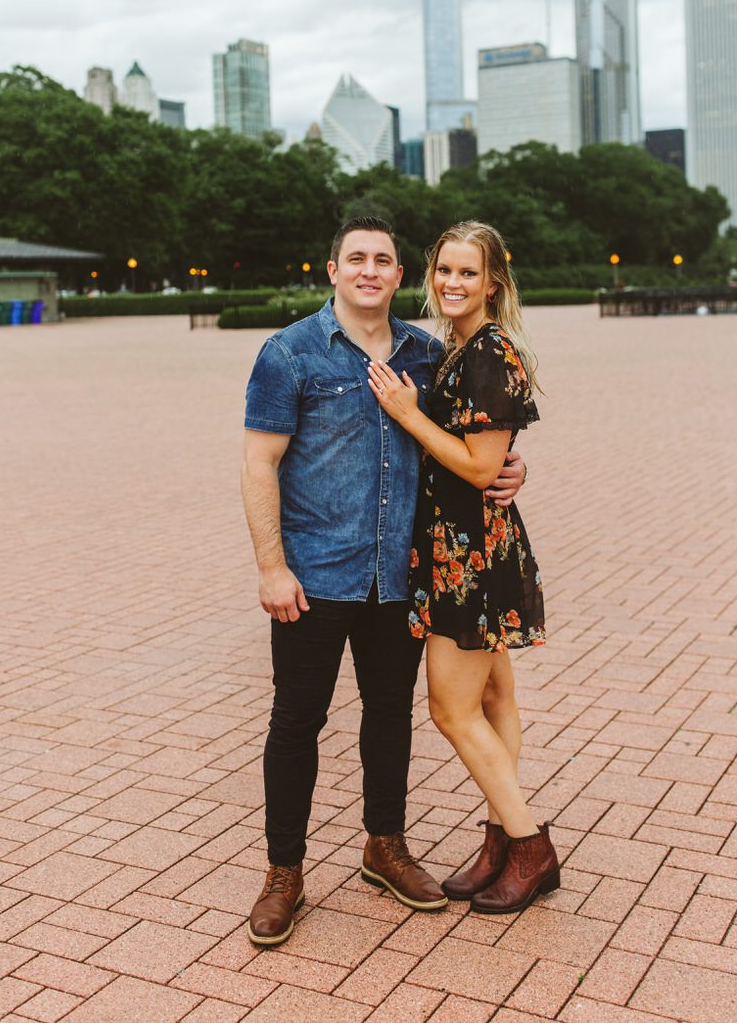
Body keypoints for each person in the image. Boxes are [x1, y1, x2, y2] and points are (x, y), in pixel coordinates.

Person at [241, 217, 526, 946]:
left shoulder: (427, 355)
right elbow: (259, 463)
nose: (370, 270)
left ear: (400, 275)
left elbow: (474, 441)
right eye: (356, 258)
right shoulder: (289, 353)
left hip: (402, 574)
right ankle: (283, 871)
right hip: (314, 575)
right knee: (296, 722)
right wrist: (272, 566)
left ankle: (385, 845)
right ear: (333, 270)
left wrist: (512, 468)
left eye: (383, 260)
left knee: (390, 715)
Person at [367, 220, 559, 915]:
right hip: (464, 546)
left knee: (451, 710)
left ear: (493, 283)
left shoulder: (489, 352)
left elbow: (480, 467)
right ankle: (500, 842)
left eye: (468, 273)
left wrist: (407, 414)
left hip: (469, 556)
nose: (453, 283)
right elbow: (490, 455)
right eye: (444, 270)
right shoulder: (460, 347)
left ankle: (530, 846)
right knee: (494, 699)